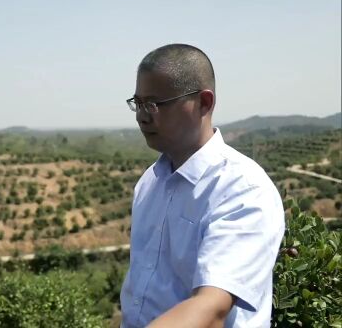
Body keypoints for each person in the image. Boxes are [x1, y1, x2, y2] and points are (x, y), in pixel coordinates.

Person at [120, 44, 285, 327]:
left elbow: (211, 309)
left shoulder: (242, 190)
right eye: (138, 102)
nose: (142, 115)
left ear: (204, 103)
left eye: (155, 104)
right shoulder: (150, 182)